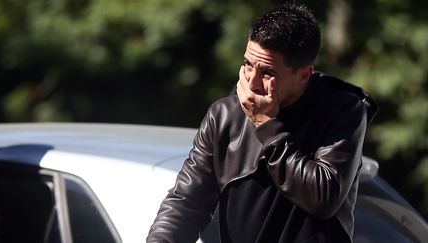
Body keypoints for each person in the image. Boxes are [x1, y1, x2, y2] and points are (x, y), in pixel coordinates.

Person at [147, 2, 378, 243]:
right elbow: (187, 201)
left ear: (303, 75)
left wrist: (266, 125)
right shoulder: (225, 114)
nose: (252, 81)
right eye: (247, 64)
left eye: (267, 72)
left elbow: (323, 197)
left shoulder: (342, 109)